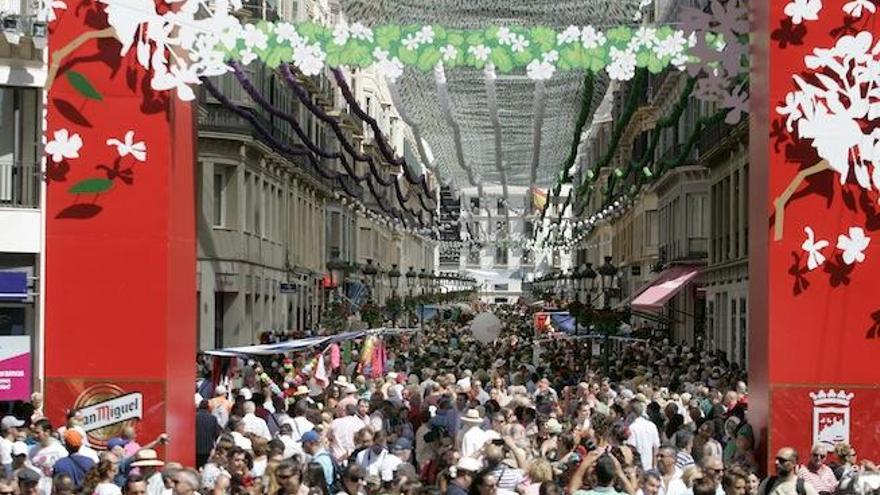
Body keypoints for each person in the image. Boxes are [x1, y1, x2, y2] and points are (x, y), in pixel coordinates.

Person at [28, 419, 68, 495]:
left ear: (47, 432)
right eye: (34, 433)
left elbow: (64, 471)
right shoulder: (32, 451)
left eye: (37, 433)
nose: (35, 435)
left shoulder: (59, 450)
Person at [627, 399, 661, 471]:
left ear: (632, 413)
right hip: (650, 466)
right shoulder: (652, 425)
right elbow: (656, 447)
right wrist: (654, 466)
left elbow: (631, 448)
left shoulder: (632, 427)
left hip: (638, 467)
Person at [196, 400, 222, 468]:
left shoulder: (194, 416)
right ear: (208, 408)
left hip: (195, 447)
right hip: (207, 448)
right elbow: (217, 433)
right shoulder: (213, 418)